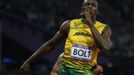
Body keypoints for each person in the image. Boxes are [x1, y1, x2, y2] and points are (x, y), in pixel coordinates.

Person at [20, 0, 112, 75]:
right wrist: (28, 61)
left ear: (97, 11)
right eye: (87, 4)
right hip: (67, 71)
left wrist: (90, 24)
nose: (90, 7)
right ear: (82, 10)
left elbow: (105, 47)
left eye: (93, 5)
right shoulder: (69, 25)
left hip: (88, 72)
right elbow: (50, 45)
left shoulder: (104, 29)